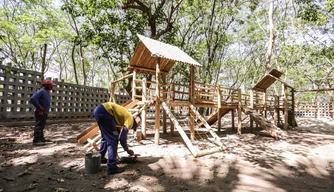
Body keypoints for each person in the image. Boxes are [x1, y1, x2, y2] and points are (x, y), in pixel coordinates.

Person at [93, 102, 138, 175]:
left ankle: (101, 157)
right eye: (133, 127)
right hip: (105, 111)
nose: (131, 128)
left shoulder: (121, 119)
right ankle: (112, 167)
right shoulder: (130, 119)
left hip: (98, 110)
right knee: (112, 140)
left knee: (106, 137)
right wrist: (127, 150)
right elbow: (122, 138)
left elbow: (117, 135)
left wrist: (115, 154)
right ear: (135, 123)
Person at [30, 80, 56, 145]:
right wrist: (39, 107)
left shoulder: (47, 92)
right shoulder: (41, 91)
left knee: (42, 125)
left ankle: (41, 138)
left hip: (44, 112)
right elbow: (33, 98)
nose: (52, 87)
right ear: (47, 86)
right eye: (51, 85)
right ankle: (36, 140)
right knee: (39, 125)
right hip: (40, 112)